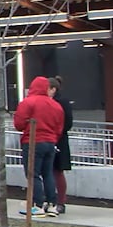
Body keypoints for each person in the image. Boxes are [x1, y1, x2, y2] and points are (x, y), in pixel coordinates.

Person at [14, 76, 65, 217]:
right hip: (50, 142)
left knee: (32, 174)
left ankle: (37, 205)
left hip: (32, 141)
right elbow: (59, 127)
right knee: (48, 173)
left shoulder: (28, 102)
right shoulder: (56, 105)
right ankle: (52, 204)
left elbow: (19, 124)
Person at [50, 76, 74, 214]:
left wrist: (57, 132)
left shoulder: (62, 102)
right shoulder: (47, 101)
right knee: (49, 171)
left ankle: (60, 201)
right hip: (50, 138)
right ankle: (51, 199)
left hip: (59, 140)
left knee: (57, 171)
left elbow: (67, 123)